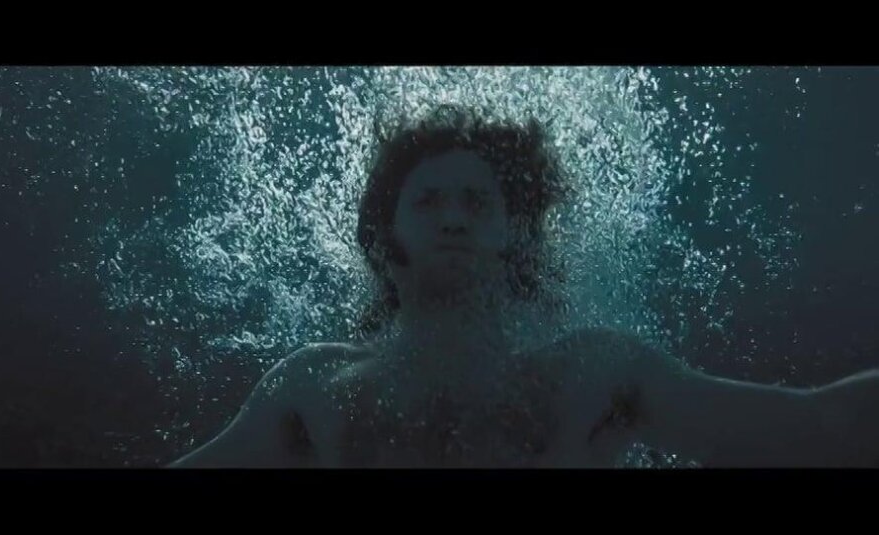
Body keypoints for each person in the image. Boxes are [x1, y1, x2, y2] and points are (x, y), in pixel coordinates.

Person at [171, 107, 879, 468]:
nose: (453, 218)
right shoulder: (312, 386)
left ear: (516, 235)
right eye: (428, 201)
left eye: (477, 203)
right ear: (384, 234)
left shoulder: (595, 373)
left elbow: (814, 425)